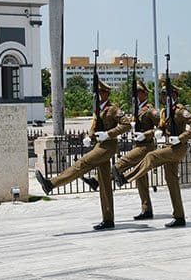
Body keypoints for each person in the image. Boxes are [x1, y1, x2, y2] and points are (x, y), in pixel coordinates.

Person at [35, 80, 131, 230]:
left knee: (82, 163)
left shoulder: (113, 109)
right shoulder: (98, 109)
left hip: (108, 147)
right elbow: (95, 127)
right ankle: (108, 219)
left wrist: (108, 134)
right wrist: (90, 136)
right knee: (105, 184)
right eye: (96, 93)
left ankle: (51, 184)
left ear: (106, 94)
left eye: (100, 93)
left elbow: (127, 125)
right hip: (100, 145)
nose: (98, 95)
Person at [116, 84, 191, 228]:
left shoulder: (180, 111)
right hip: (170, 147)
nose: (162, 97)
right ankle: (179, 216)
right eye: (162, 94)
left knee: (151, 156)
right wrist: (155, 132)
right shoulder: (165, 112)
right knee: (172, 182)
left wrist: (181, 137)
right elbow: (160, 127)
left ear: (174, 95)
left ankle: (126, 178)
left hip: (178, 148)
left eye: (165, 94)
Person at [111, 80, 159, 220]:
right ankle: (146, 210)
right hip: (138, 145)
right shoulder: (136, 109)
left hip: (146, 146)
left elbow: (161, 127)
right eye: (135, 93)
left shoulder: (150, 110)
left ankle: (114, 177)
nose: (136, 95)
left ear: (145, 94)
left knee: (121, 162)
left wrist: (146, 134)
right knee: (141, 180)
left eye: (138, 92)